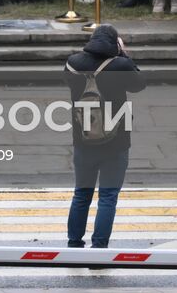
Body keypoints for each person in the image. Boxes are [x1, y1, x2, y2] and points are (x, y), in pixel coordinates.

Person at [63, 24, 145, 249]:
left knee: (81, 194)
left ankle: (74, 244)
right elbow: (140, 84)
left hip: (83, 138)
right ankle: (99, 248)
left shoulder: (72, 63)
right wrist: (124, 54)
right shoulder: (120, 65)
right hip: (116, 142)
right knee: (108, 196)